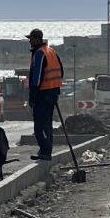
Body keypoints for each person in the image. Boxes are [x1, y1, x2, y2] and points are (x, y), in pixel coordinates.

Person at [26, 28, 64, 161]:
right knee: (47, 123)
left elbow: (36, 78)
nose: (29, 41)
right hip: (52, 92)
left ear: (37, 39)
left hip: (43, 94)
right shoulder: (51, 51)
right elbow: (61, 71)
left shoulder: (40, 54)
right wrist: (56, 88)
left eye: (31, 39)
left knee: (39, 125)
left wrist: (33, 96)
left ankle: (45, 151)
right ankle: (46, 150)